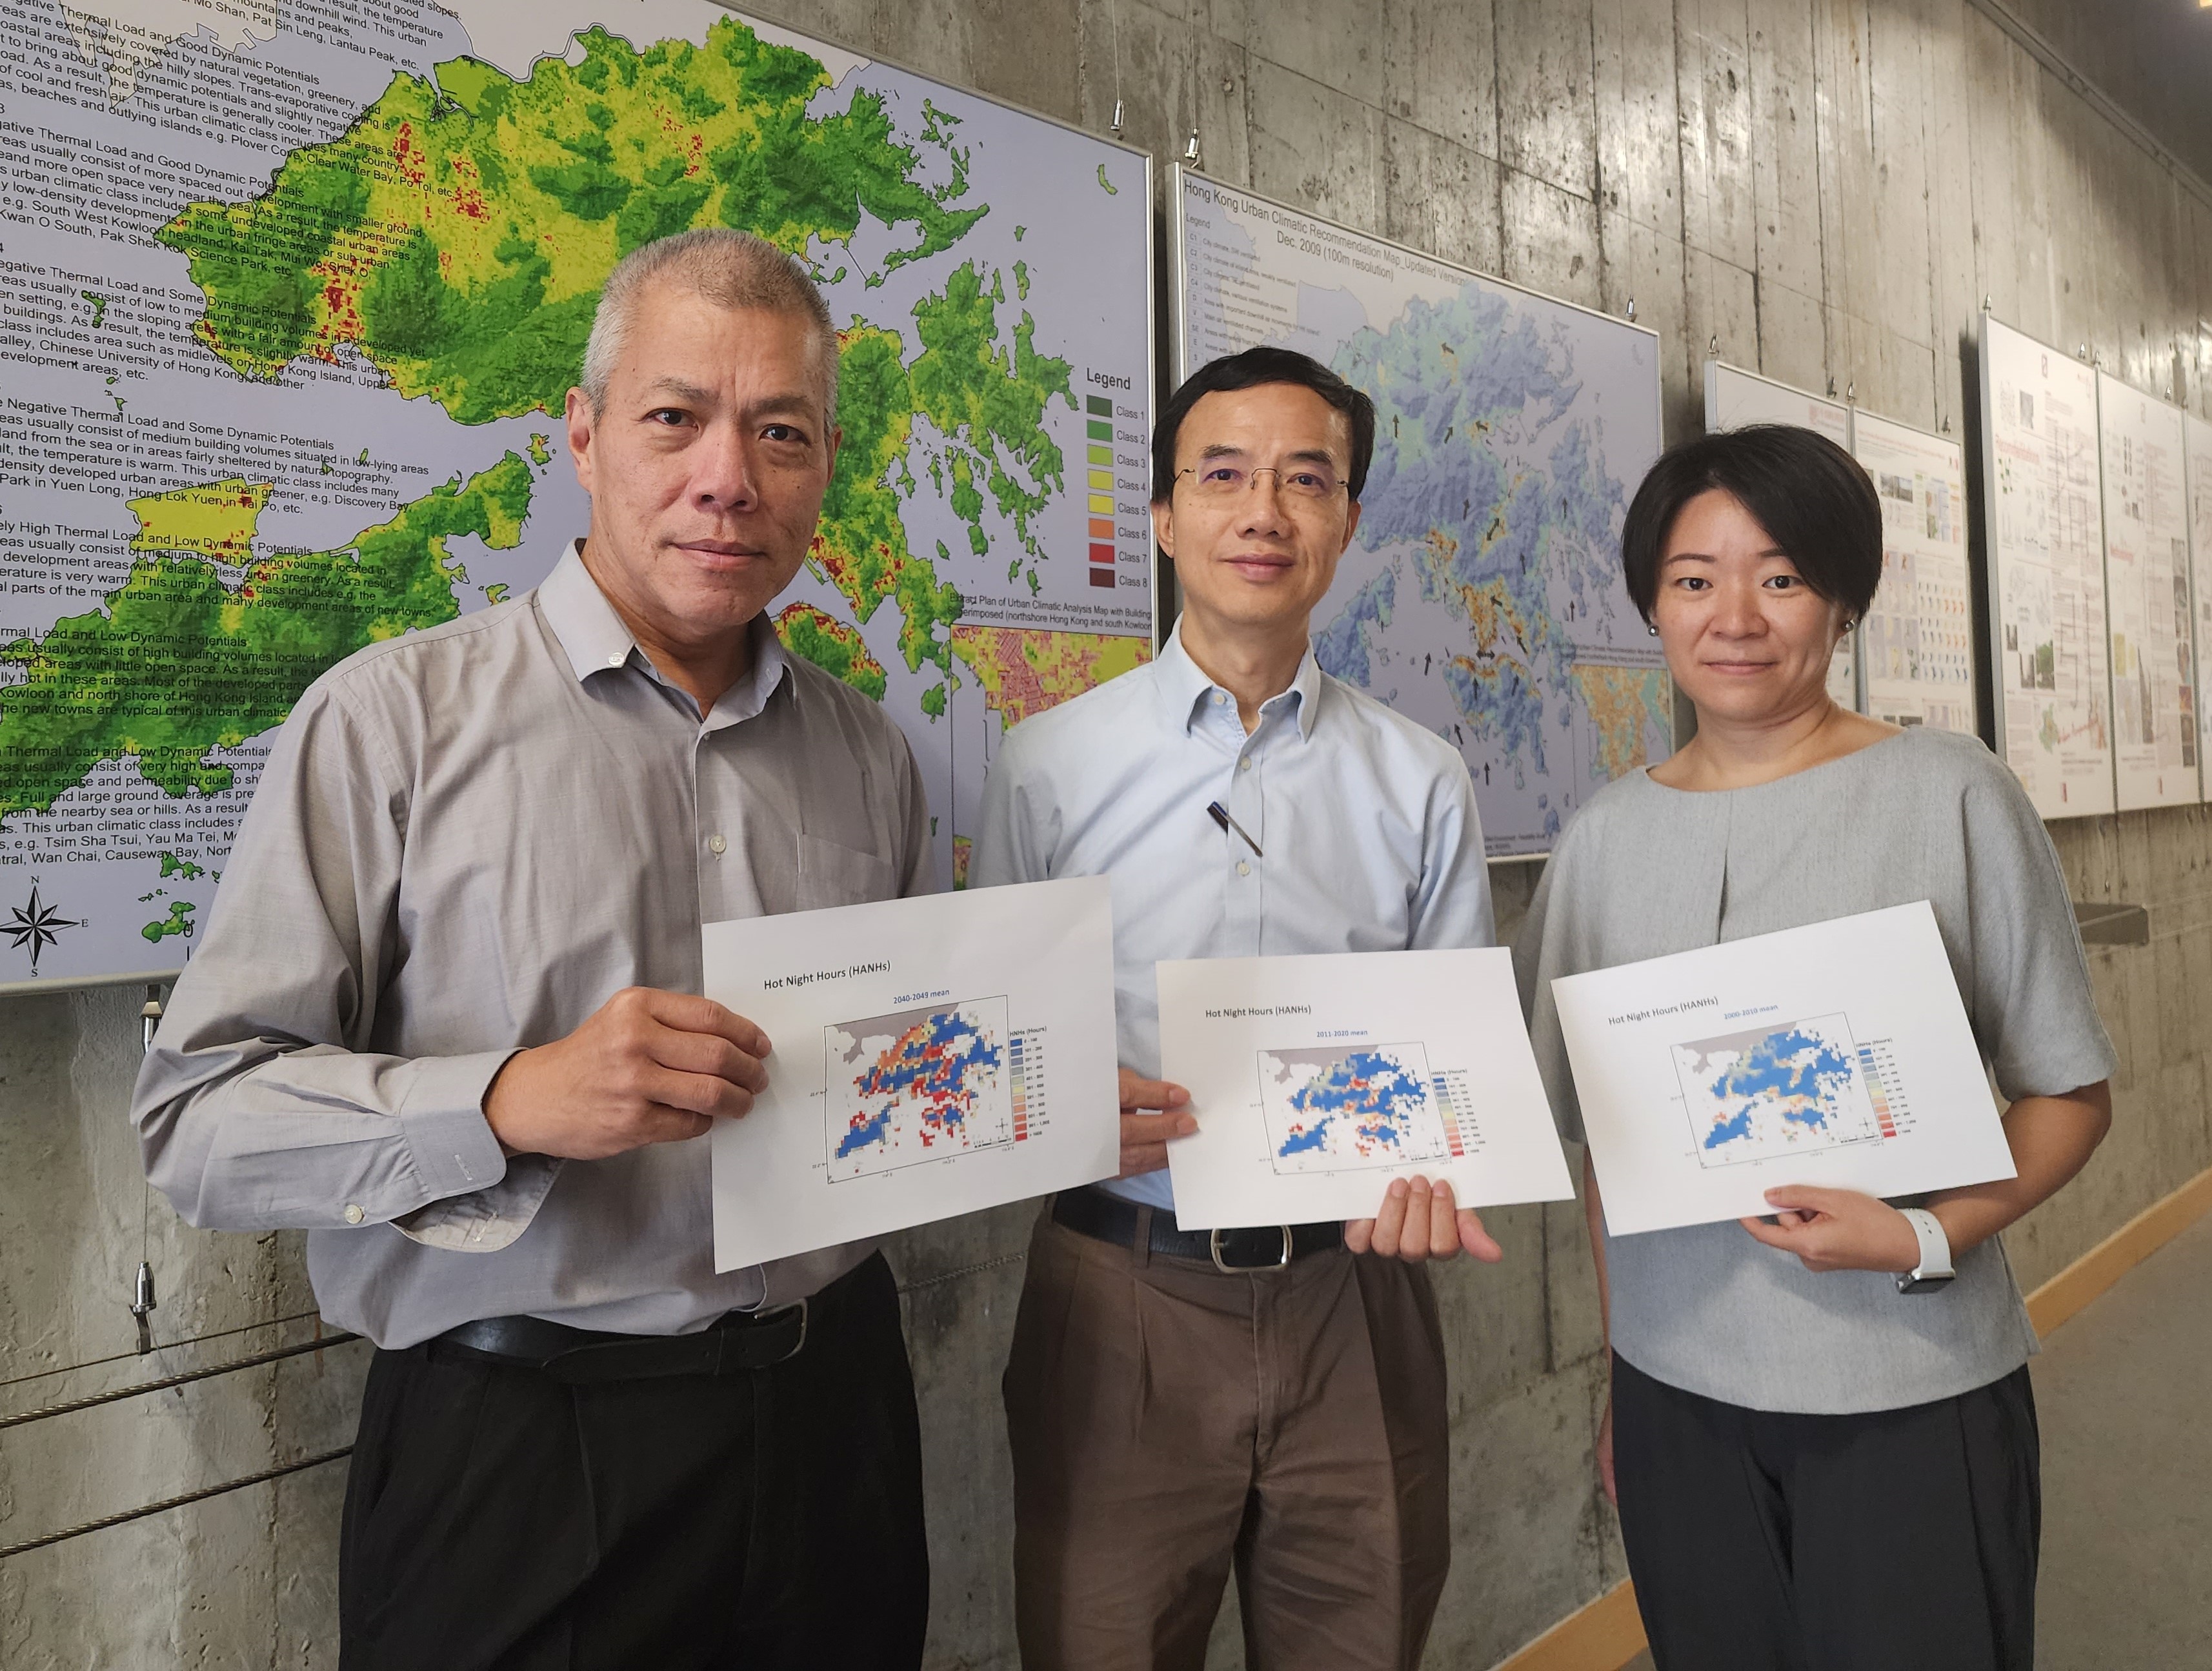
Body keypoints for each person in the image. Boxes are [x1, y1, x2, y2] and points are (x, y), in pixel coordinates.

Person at [132, 229, 934, 1670]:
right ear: (582, 433)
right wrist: (502, 1101)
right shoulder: (391, 721)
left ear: (822, 467)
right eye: (674, 417)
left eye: (781, 433)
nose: (727, 479)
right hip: (515, 1446)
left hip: (834, 1423)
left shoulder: (869, 751)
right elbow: (195, 1122)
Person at [1516, 424, 2115, 1671]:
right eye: (1693, 579)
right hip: (1679, 1396)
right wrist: (1628, 1374)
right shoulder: (1602, 841)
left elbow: (2070, 1092)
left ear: (1842, 599)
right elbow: (1603, 1155)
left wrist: (1921, 1232)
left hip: (1910, 1385)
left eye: (1779, 576)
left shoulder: (1950, 791)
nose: (1734, 615)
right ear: (1653, 603)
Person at [971, 345, 1503, 1671]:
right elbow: (995, 1059)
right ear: (1162, 514)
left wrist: (1440, 1162)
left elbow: (1454, 1070)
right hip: (1120, 1290)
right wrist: (1043, 1110)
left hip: (1354, 1296)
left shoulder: (1421, 778)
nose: (1262, 511)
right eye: (1222, 475)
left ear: (1345, 522)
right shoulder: (1047, 766)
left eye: (1303, 479)